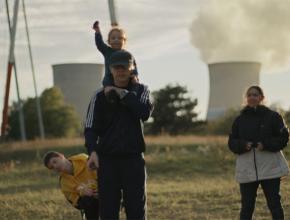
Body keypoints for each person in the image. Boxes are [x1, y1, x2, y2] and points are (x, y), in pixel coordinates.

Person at [84, 50, 153, 220]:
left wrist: (123, 94)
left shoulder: (142, 90)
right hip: (107, 161)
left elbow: (144, 112)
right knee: (108, 210)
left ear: (132, 68)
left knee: (136, 209)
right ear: (111, 69)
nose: (121, 71)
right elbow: (90, 128)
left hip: (133, 159)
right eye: (117, 67)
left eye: (125, 67)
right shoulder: (99, 96)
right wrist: (92, 151)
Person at [228, 85, 289, 220]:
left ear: (262, 98)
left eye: (255, 95)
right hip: (247, 167)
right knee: (247, 206)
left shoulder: (273, 117)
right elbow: (231, 142)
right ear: (246, 98)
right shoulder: (239, 120)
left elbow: (283, 138)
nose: (252, 97)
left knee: (274, 203)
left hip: (269, 166)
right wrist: (243, 145)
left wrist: (266, 144)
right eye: (249, 95)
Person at [43, 151, 99, 220]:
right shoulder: (63, 182)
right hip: (91, 203)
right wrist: (83, 194)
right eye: (52, 167)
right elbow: (76, 203)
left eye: (55, 162)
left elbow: (104, 174)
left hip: (106, 191)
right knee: (88, 201)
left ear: (61, 156)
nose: (55, 167)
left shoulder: (83, 160)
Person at [92, 20, 139, 88]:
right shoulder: (107, 51)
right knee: (107, 89)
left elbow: (133, 66)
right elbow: (99, 44)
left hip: (125, 80)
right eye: (113, 38)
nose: (116, 40)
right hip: (110, 80)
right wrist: (97, 32)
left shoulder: (127, 55)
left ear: (124, 41)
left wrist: (135, 75)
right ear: (109, 41)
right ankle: (111, 96)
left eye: (120, 38)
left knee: (135, 85)